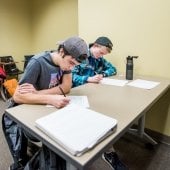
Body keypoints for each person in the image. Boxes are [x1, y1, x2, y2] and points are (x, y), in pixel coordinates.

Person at [2, 36, 88, 170]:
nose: (71, 67)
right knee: (56, 140)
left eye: (75, 65)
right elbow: (18, 97)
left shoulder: (66, 62)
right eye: (71, 62)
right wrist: (51, 98)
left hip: (44, 107)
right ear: (61, 52)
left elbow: (66, 87)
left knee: (68, 133)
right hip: (24, 113)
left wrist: (37, 93)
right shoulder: (37, 62)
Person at [72, 36, 128, 170]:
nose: (101, 57)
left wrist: (102, 74)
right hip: (76, 95)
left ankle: (107, 151)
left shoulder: (99, 59)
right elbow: (70, 77)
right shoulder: (80, 56)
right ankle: (107, 151)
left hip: (93, 94)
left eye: (103, 55)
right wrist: (88, 78)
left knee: (108, 110)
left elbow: (112, 69)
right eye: (101, 53)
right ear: (95, 46)